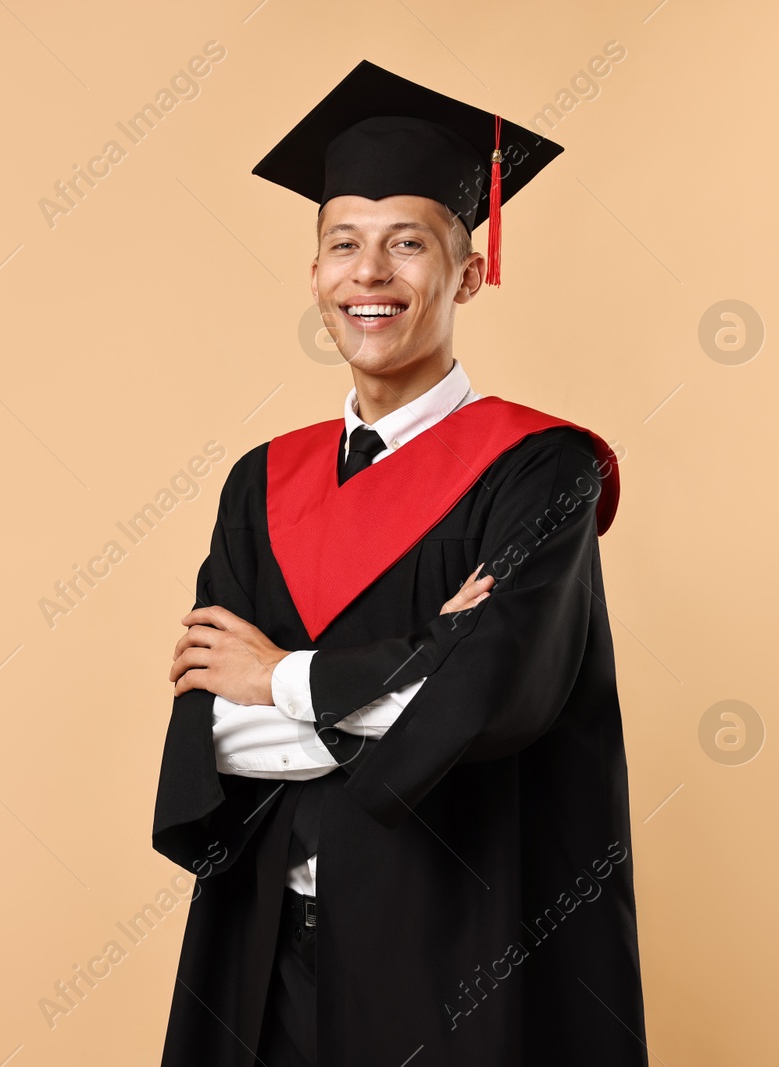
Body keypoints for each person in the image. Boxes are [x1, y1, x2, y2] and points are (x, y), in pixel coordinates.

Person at [150, 60, 647, 1066]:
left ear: (466, 273)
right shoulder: (261, 481)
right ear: (316, 274)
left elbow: (492, 702)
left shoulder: (536, 471)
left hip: (450, 949)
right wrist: (422, 666)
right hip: (266, 952)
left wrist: (279, 676)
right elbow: (216, 730)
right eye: (343, 245)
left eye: (406, 244)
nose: (367, 274)